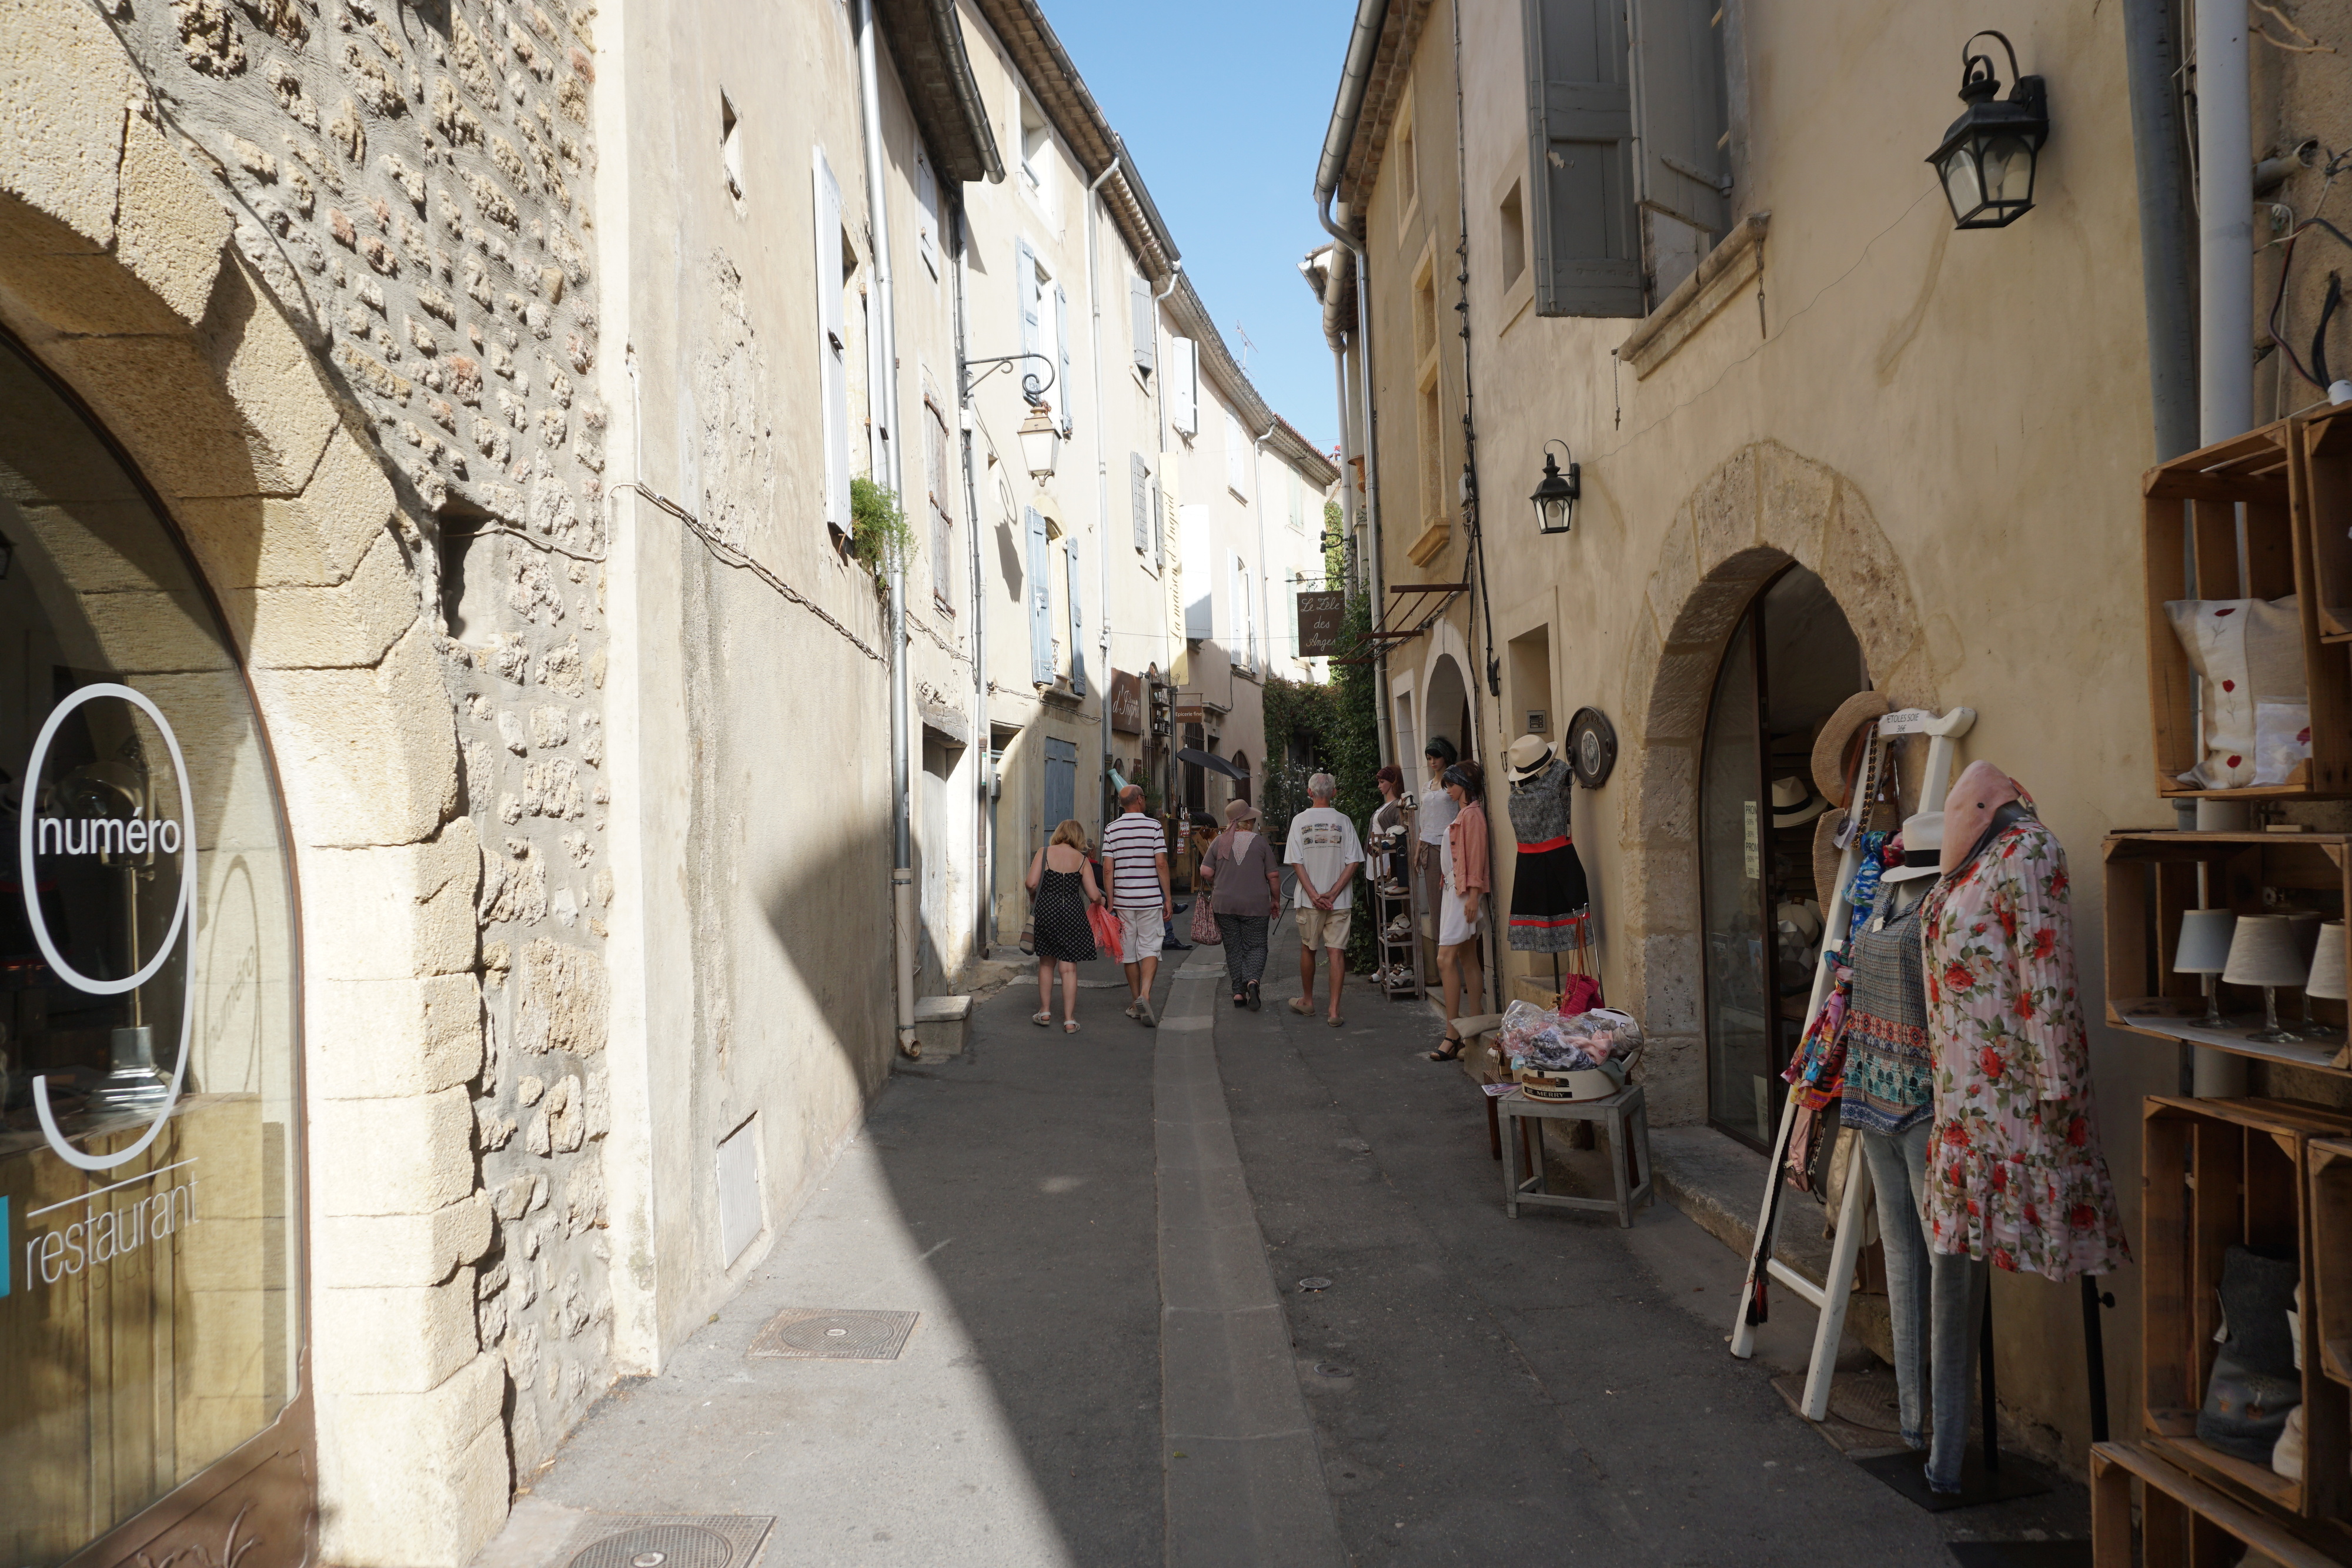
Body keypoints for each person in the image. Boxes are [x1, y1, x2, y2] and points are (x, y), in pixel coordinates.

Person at [1284, 771, 1362, 1026]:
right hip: (1339, 901)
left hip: (1310, 902)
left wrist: (1315, 895)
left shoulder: (1299, 821)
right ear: (1334, 793)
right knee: (1337, 953)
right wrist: (1334, 892)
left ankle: (1308, 1001)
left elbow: (1296, 862)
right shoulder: (1345, 821)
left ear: (1309, 793)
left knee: (1308, 948)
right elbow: (1353, 862)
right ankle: (1334, 1011)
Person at [1428, 760, 1489, 1060]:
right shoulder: (1465, 814)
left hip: (1464, 894)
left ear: (1464, 784)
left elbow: (1477, 857)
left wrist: (1475, 897)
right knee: (1467, 957)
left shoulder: (1472, 815)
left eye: (1451, 784)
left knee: (1445, 958)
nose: (1448, 789)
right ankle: (1473, 1031)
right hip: (1456, 892)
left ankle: (1452, 1034)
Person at [1200, 797, 1282, 1009]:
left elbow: (1206, 871)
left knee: (1233, 947)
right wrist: (1275, 900)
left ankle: (1238, 992)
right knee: (1256, 945)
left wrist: (1220, 880)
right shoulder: (1260, 843)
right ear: (1249, 821)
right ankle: (1253, 981)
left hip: (1224, 904)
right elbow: (1273, 876)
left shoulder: (1219, 841)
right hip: (1255, 905)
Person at [1101, 783, 1171, 1027]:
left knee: (1129, 950)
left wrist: (1111, 901)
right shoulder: (1154, 826)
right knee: (1151, 946)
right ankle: (1145, 995)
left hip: (1123, 900)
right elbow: (1161, 864)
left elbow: (1108, 868)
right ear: (1140, 800)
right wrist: (1168, 898)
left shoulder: (1111, 829)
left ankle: (1135, 1002)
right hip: (1150, 898)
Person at [1024, 820, 1100, 1033]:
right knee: (1069, 969)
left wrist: (1033, 898)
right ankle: (1069, 1020)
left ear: (1058, 833)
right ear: (1079, 838)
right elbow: (1094, 895)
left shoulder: (1044, 852)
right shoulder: (1082, 860)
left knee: (1047, 964)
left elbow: (1031, 883)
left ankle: (1045, 1012)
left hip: (1047, 911)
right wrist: (1102, 902)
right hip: (1073, 914)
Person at [1416, 737, 1461, 967]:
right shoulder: (1426, 786)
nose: (1433, 762)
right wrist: (1418, 849)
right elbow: (1423, 821)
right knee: (1436, 906)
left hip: (1451, 846)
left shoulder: (1453, 784)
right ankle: (1444, 966)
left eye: (1436, 757)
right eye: (1429, 759)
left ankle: (1462, 964)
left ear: (1446, 757)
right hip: (1430, 847)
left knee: (1456, 904)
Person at [1369, 765, 1408, 894]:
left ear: (1392, 782)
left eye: (1382, 782)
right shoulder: (1383, 806)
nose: (1379, 786)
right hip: (1374, 855)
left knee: (1386, 896)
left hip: (1386, 856)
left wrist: (1396, 863)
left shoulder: (1397, 805)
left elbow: (1401, 832)